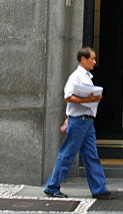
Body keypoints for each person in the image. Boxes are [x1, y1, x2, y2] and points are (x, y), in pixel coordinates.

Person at [43, 47, 112, 200]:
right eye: (92, 59)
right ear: (83, 59)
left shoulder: (86, 76)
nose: (94, 62)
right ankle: (52, 186)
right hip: (80, 120)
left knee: (91, 155)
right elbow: (68, 96)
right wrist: (89, 100)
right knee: (67, 153)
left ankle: (99, 189)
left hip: (86, 120)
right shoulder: (76, 77)